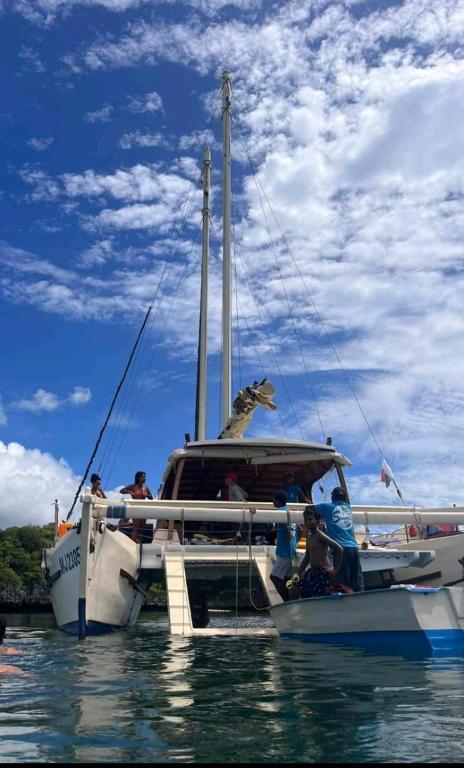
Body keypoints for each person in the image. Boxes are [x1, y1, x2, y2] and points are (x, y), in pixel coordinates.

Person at [309, 486, 364, 592]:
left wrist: (316, 520)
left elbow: (309, 509)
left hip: (340, 550)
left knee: (342, 585)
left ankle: (344, 606)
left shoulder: (327, 507)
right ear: (344, 498)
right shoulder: (348, 508)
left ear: (332, 497)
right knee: (357, 582)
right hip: (354, 548)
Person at [298, 508, 343, 598]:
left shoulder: (320, 535)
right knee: (299, 588)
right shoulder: (309, 537)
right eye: (305, 520)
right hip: (313, 572)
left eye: (310, 519)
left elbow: (339, 549)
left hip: (323, 572)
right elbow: (306, 558)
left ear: (317, 522)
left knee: (319, 596)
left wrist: (335, 569)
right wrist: (298, 573)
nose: (307, 522)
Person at [270, 490, 297, 602]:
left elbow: (289, 534)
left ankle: (286, 600)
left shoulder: (281, 512)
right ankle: (291, 599)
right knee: (287, 579)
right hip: (289, 551)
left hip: (285, 552)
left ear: (277, 501)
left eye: (273, 499)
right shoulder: (290, 512)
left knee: (274, 577)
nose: (272, 501)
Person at [120, 471, 153, 543]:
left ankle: (138, 544)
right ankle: (131, 544)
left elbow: (151, 498)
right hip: (135, 508)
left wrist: (147, 495)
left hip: (143, 508)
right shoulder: (133, 486)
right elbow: (121, 491)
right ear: (138, 478)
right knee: (136, 527)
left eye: (145, 477)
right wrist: (129, 492)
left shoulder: (146, 487)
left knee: (141, 528)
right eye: (143, 477)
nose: (144, 478)